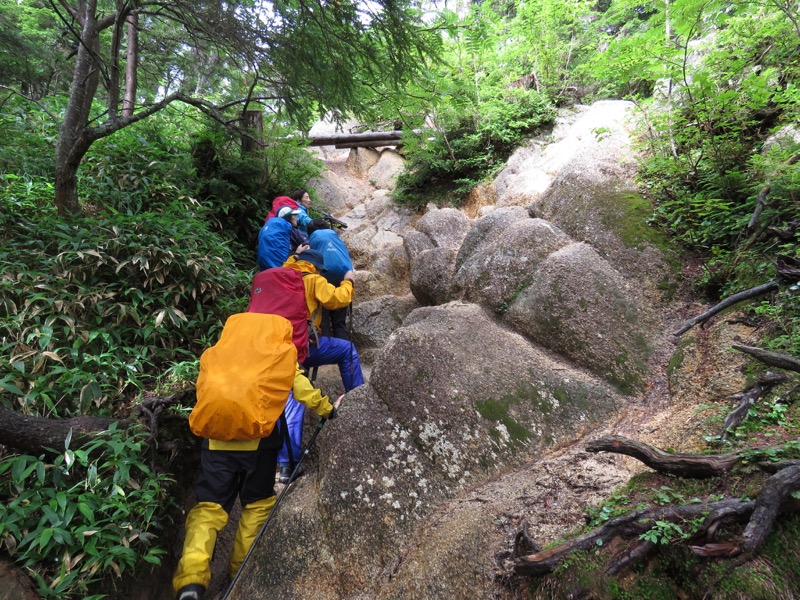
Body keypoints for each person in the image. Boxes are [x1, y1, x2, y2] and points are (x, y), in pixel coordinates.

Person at [172, 363, 344, 600]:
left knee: (207, 510)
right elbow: (302, 389)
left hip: (215, 438)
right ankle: (238, 576)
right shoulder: (276, 346)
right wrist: (327, 409)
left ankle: (190, 582)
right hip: (258, 442)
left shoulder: (224, 346)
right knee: (255, 506)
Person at [277, 249, 364, 483]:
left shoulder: (277, 277)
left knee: (291, 398)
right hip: (304, 347)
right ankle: (359, 398)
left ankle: (286, 466)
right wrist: (348, 282)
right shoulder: (313, 279)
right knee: (346, 350)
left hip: (274, 351)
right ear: (313, 266)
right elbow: (337, 300)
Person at [307, 218, 354, 340]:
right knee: (339, 322)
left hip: (323, 276)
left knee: (323, 321)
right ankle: (342, 353)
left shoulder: (312, 238)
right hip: (343, 276)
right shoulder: (336, 237)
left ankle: (325, 354)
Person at [256, 205, 305, 271]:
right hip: (281, 269)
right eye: (294, 215)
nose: (297, 218)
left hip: (264, 268)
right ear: (288, 217)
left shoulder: (268, 227)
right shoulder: (288, 228)